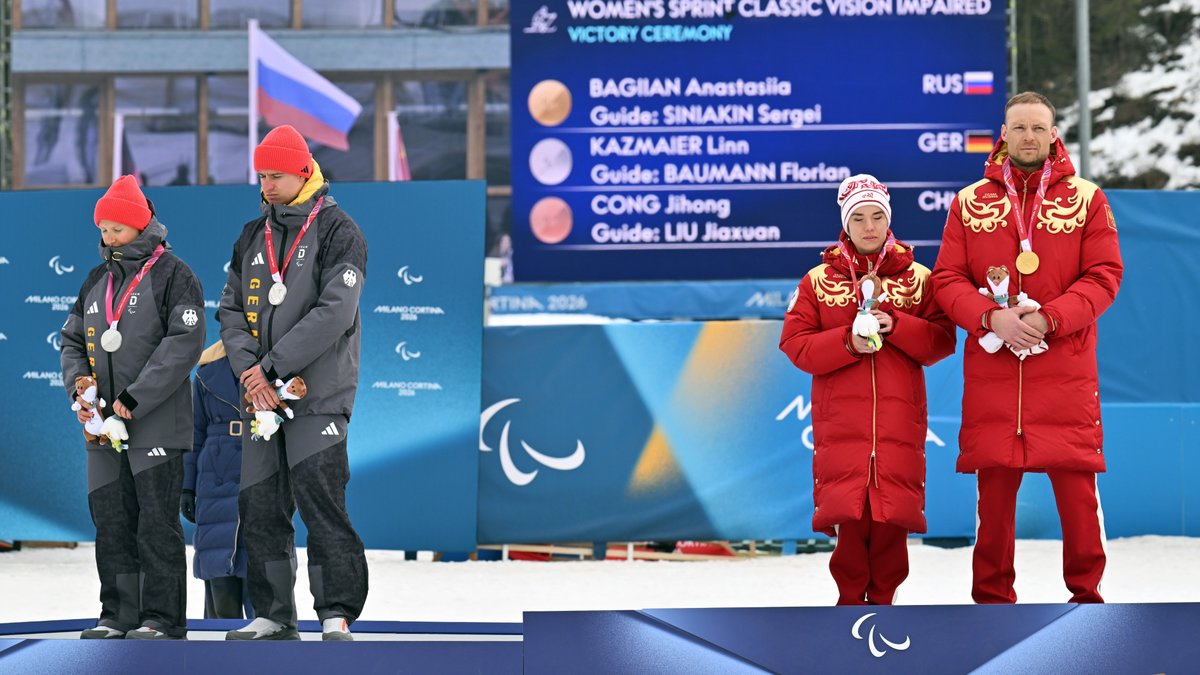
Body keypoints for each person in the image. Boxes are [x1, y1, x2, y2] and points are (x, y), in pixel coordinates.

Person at [931, 92, 1123, 604]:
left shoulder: (1087, 198)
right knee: (993, 503)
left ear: (1054, 134)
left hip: (1065, 372)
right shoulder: (969, 202)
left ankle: (1088, 602)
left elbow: (1105, 276)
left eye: (1039, 128)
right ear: (1004, 133)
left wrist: (1049, 318)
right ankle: (992, 606)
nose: (1029, 137)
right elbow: (947, 279)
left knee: (1078, 499)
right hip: (995, 375)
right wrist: (990, 316)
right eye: (1019, 128)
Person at [219, 124, 369, 641]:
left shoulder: (339, 230)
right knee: (260, 506)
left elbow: (335, 312)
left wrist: (272, 367)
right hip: (260, 399)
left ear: (304, 172)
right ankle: (274, 614)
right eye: (261, 176)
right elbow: (230, 310)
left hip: (317, 397)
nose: (266, 185)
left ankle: (336, 613)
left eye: (276, 176)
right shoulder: (251, 234)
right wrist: (250, 373)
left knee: (322, 504)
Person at [780, 174, 956, 605]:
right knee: (851, 525)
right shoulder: (817, 280)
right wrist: (847, 343)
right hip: (842, 428)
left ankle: (884, 609)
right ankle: (848, 610)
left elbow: (941, 341)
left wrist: (897, 325)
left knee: (891, 525)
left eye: (877, 216)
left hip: (898, 426)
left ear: (889, 219)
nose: (870, 226)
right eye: (858, 218)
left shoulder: (919, 278)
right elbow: (795, 345)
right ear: (846, 223)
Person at [60, 175, 206, 639]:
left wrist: (134, 397)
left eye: (117, 229)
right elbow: (71, 341)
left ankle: (162, 618)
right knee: (112, 521)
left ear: (140, 225)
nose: (109, 238)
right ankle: (117, 614)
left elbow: (184, 343)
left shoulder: (175, 275)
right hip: (103, 427)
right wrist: (80, 391)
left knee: (156, 524)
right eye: (103, 230)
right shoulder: (96, 280)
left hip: (156, 424)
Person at [182, 340, 254, 619]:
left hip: (261, 459)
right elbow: (194, 432)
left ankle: (270, 638)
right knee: (218, 566)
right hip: (215, 474)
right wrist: (186, 487)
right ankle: (218, 638)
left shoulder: (280, 362)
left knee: (264, 569)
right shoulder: (206, 371)